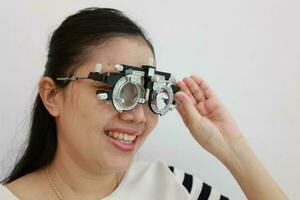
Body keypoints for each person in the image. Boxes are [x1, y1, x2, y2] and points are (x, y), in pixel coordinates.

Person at [0, 7, 287, 200]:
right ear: (52, 96)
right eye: (119, 90)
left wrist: (232, 149)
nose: (139, 115)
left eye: (150, 95)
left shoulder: (174, 186)